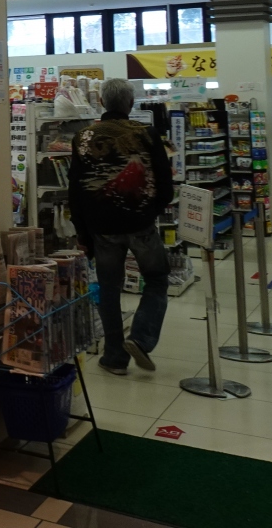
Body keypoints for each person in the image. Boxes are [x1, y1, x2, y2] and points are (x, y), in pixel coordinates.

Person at [69, 78, 174, 375]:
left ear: (102, 102)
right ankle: (140, 337)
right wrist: (153, 209)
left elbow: (75, 189)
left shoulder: (83, 137)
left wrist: (82, 232)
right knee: (156, 279)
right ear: (130, 103)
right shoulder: (146, 134)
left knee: (109, 288)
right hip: (141, 223)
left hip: (102, 228)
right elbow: (164, 181)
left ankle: (115, 358)